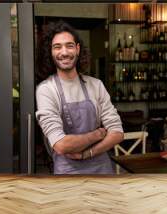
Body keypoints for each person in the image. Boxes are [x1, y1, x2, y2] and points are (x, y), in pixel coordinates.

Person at [35, 21, 124, 174]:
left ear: (77, 49)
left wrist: (86, 154)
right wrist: (97, 134)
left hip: (102, 169)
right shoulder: (46, 89)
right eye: (57, 47)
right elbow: (61, 145)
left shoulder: (96, 85)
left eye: (69, 46)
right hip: (67, 172)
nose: (64, 52)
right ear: (50, 52)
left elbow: (117, 132)